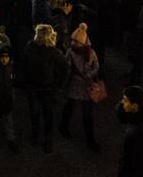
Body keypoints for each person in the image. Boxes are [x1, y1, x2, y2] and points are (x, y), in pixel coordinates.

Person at [22, 23, 67, 153]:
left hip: (47, 89)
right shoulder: (31, 47)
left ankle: (47, 139)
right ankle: (37, 135)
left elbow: (64, 67)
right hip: (35, 87)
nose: (38, 37)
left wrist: (58, 84)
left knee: (47, 115)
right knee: (36, 114)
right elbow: (24, 63)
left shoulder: (52, 52)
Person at [61, 23, 101, 151]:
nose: (73, 43)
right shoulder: (71, 52)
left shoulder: (91, 53)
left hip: (85, 85)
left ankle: (90, 139)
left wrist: (88, 74)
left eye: (76, 41)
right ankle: (64, 127)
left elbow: (96, 66)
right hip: (77, 84)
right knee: (70, 107)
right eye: (73, 40)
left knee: (86, 113)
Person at [116, 85, 143, 177]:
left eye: (126, 100)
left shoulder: (139, 133)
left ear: (135, 106)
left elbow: (136, 164)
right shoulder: (140, 117)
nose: (122, 102)